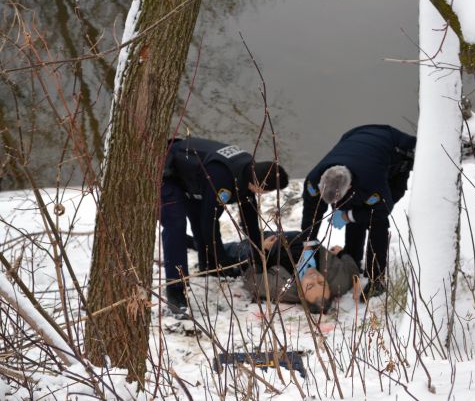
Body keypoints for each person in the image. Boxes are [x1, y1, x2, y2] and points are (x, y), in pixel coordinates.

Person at [160, 137, 289, 316]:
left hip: (193, 176)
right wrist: (224, 259)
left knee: (200, 215)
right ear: (258, 186)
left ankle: (208, 266)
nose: (265, 194)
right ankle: (175, 290)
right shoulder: (223, 180)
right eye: (267, 191)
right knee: (176, 224)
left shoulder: (248, 172)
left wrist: (259, 253)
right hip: (167, 169)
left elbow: (249, 217)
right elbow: (209, 224)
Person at [301, 124, 416, 300]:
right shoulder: (314, 178)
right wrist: (307, 244)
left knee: (376, 221)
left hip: (396, 149)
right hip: (355, 135)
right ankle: (353, 259)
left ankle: (377, 280)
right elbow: (311, 211)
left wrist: (349, 216)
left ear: (351, 187)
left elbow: (382, 210)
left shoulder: (372, 181)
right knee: (349, 207)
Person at [241, 231, 360, 313]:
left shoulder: (279, 287)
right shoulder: (340, 283)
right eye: (321, 282)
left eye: (310, 285)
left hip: (275, 241)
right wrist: (341, 253)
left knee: (238, 251)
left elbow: (250, 279)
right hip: (307, 234)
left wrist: (262, 250)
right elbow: (353, 270)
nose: (315, 278)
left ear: (301, 293)